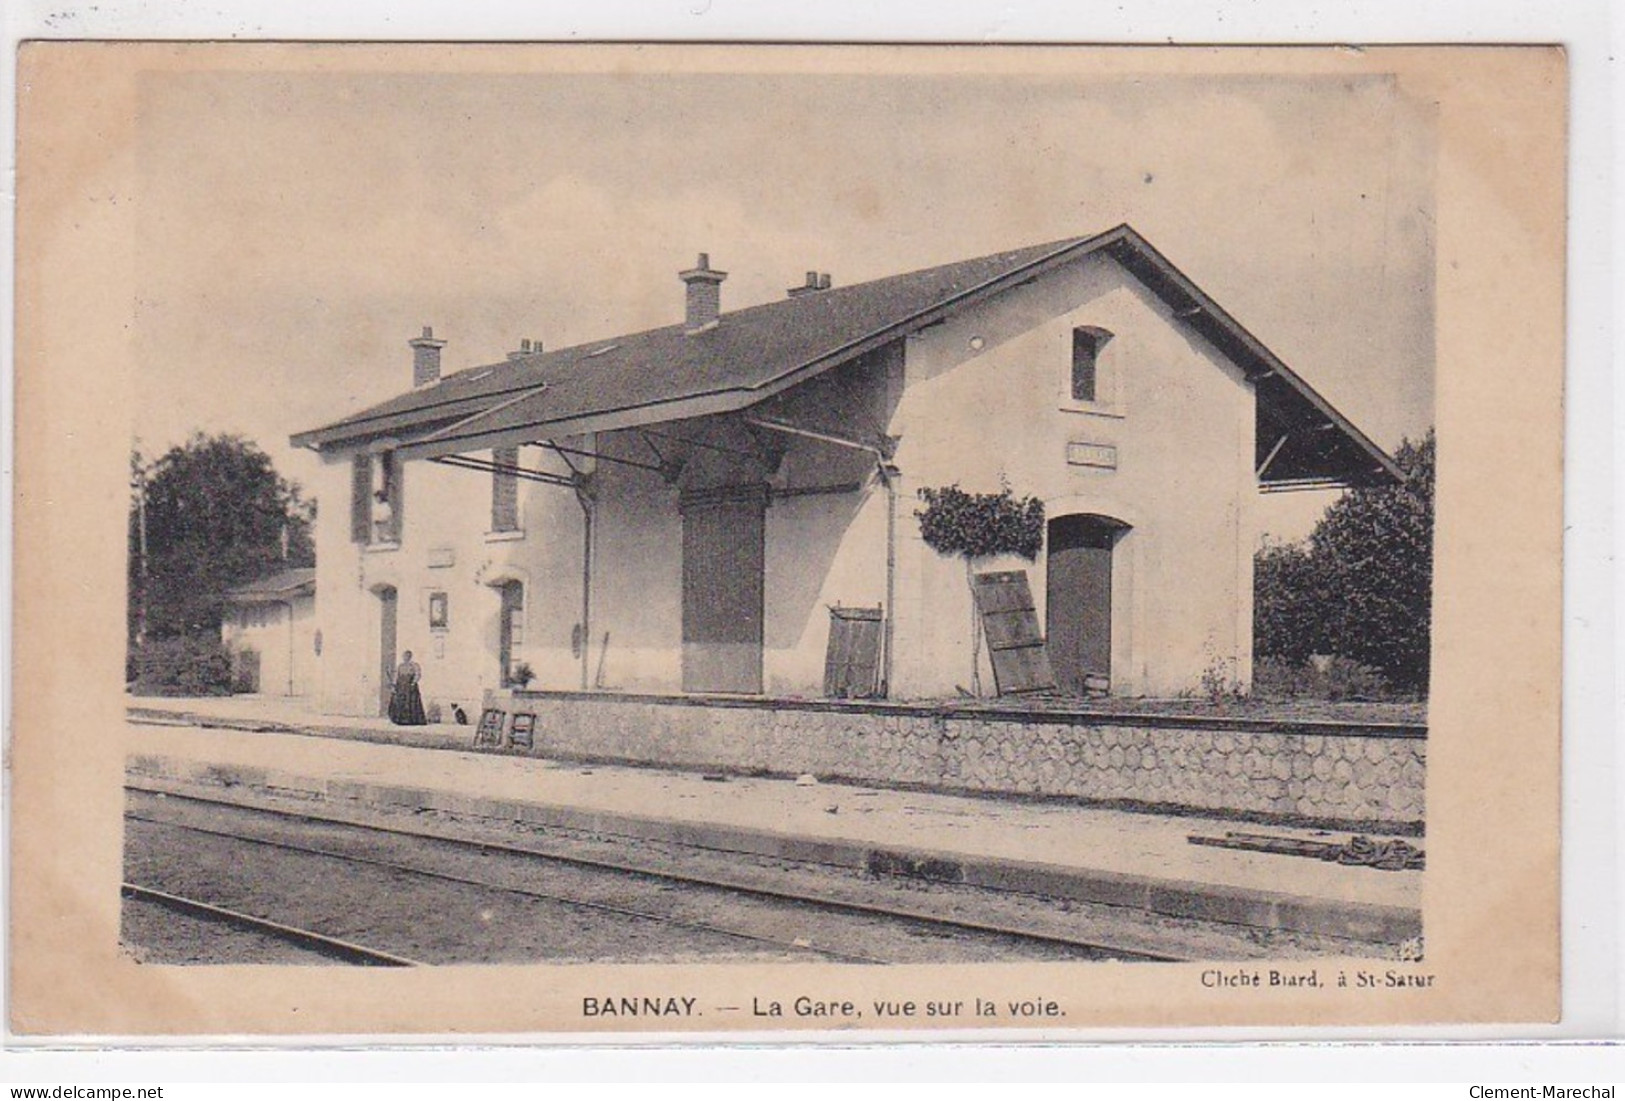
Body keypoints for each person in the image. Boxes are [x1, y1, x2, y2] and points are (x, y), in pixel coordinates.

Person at [388, 650, 428, 726]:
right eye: (404, 656)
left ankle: (412, 720)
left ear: (410, 657)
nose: (405, 658)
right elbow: (396, 676)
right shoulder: (400, 666)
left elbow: (418, 674)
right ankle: (401, 720)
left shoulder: (414, 665)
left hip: (410, 687)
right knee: (401, 702)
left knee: (411, 703)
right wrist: (394, 685)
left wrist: (413, 683)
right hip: (401, 687)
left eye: (407, 656)